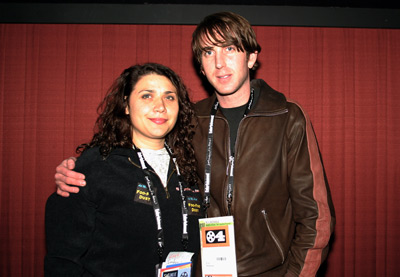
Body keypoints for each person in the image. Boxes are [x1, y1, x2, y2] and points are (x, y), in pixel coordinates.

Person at [54, 12, 335, 276]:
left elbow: (316, 219)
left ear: (251, 57)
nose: (219, 63)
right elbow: (141, 153)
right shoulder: (190, 118)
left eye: (230, 49)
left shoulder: (286, 116)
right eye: (208, 52)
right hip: (203, 269)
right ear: (200, 64)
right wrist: (78, 170)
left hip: (269, 270)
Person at [45, 63, 203, 276]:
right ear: (126, 105)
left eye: (169, 97)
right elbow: (63, 259)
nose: (160, 106)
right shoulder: (95, 167)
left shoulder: (190, 167)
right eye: (147, 96)